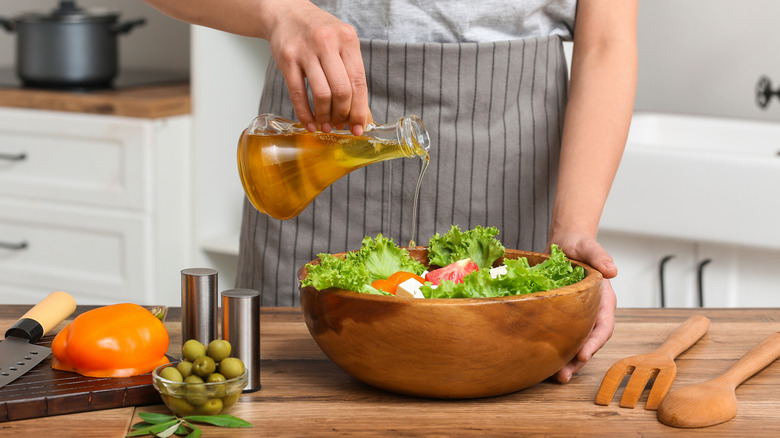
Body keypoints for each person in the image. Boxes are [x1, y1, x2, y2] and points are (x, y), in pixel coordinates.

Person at [143, 0, 638, 383]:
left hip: (508, 149)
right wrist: (279, 12)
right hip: (317, 139)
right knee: (285, 389)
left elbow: (607, 43)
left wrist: (573, 232)